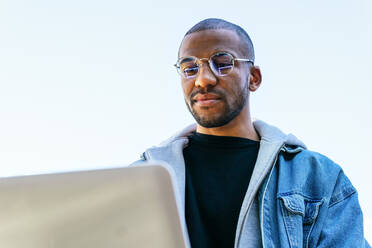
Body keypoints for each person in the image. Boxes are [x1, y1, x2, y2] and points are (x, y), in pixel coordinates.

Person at [131, 18, 370, 248]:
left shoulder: (318, 178)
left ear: (253, 78)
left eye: (222, 63)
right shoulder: (140, 177)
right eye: (190, 68)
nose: (202, 80)